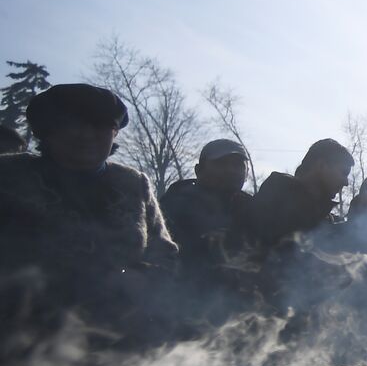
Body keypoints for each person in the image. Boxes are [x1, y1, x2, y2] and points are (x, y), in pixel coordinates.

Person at [0, 83, 178, 350]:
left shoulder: (133, 184)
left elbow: (164, 253)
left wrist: (143, 278)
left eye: (100, 126)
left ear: (115, 133)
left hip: (119, 340)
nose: (86, 135)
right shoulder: (9, 176)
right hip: (21, 341)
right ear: (45, 131)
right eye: (72, 124)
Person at [160, 139, 255, 274]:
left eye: (238, 165)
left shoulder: (252, 210)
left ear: (247, 173)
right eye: (220, 163)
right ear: (198, 170)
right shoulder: (174, 206)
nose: (230, 170)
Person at [248, 138, 354, 253]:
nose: (346, 182)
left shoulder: (322, 216)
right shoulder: (275, 199)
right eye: (344, 173)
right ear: (322, 165)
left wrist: (357, 216)